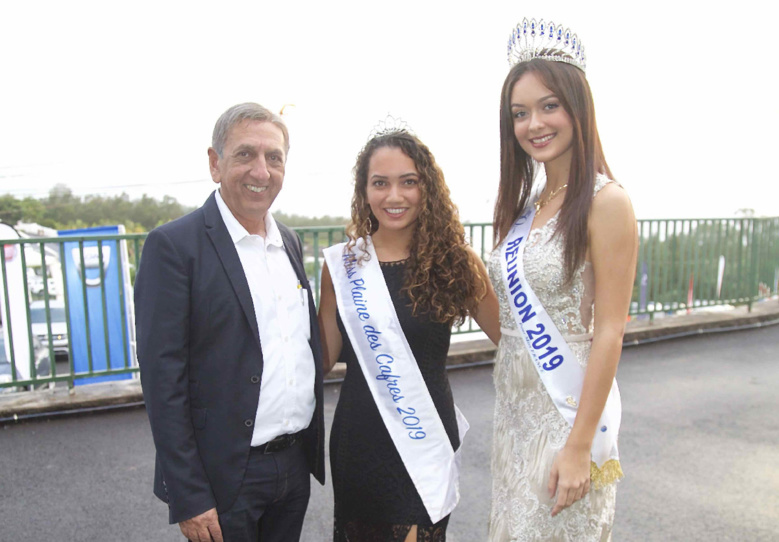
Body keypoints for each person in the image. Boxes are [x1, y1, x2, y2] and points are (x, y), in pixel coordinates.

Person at [134, 102, 325, 542]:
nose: (261, 170)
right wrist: (189, 495)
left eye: (274, 157)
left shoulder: (290, 243)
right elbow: (163, 382)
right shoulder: (174, 246)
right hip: (225, 476)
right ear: (215, 164)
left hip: (293, 466)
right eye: (245, 154)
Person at [487, 19, 638, 541]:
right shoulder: (525, 208)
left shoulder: (606, 201)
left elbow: (611, 330)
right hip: (513, 415)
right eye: (520, 113)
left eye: (549, 105)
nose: (534, 124)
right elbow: (508, 320)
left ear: (578, 106)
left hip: (565, 416)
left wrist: (578, 447)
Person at [318, 125, 500, 541]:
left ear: (427, 189)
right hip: (358, 441)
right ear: (364, 191)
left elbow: (511, 342)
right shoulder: (342, 265)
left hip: (423, 439)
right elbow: (322, 356)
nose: (394, 196)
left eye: (409, 182)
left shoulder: (456, 261)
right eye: (380, 183)